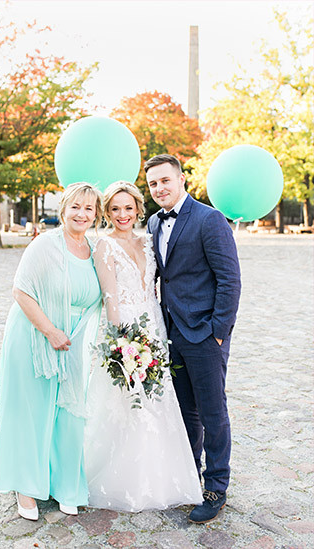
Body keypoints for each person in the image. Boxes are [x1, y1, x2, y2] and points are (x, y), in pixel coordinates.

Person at [85, 181, 203, 512]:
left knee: (160, 400)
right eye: (115, 209)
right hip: (126, 332)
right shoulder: (104, 246)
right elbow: (110, 298)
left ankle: (165, 475)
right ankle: (125, 479)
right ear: (107, 213)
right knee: (125, 402)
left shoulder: (149, 241)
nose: (123, 215)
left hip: (155, 327)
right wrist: (124, 346)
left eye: (128, 207)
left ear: (139, 209)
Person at [0, 182, 103, 519]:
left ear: (95, 214)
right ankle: (25, 488)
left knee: (69, 416)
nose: (81, 214)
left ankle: (66, 485)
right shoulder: (44, 245)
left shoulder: (96, 251)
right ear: (64, 209)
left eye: (89, 209)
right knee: (31, 412)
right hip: (33, 336)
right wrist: (50, 331)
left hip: (73, 343)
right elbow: (21, 291)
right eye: (76, 207)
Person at [145, 155, 242, 523]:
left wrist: (218, 333)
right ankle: (189, 479)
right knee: (186, 412)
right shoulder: (154, 222)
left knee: (213, 413)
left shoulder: (209, 219)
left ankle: (216, 487)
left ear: (182, 179)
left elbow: (229, 280)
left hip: (204, 335)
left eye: (165, 180)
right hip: (171, 334)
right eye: (153, 184)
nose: (160, 189)